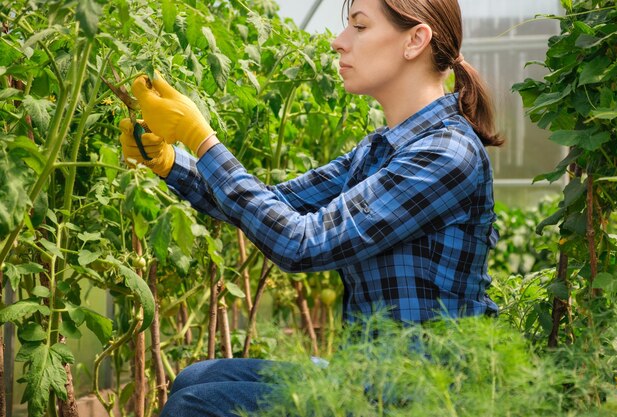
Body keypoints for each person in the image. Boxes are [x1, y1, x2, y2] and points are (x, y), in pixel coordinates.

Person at [118, 0, 504, 415]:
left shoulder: (445, 154)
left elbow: (301, 243)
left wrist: (202, 139)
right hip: (366, 379)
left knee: (193, 407)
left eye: (358, 27)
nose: (339, 42)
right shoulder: (379, 150)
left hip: (416, 399)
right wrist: (173, 163)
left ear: (415, 40)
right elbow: (274, 205)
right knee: (194, 378)